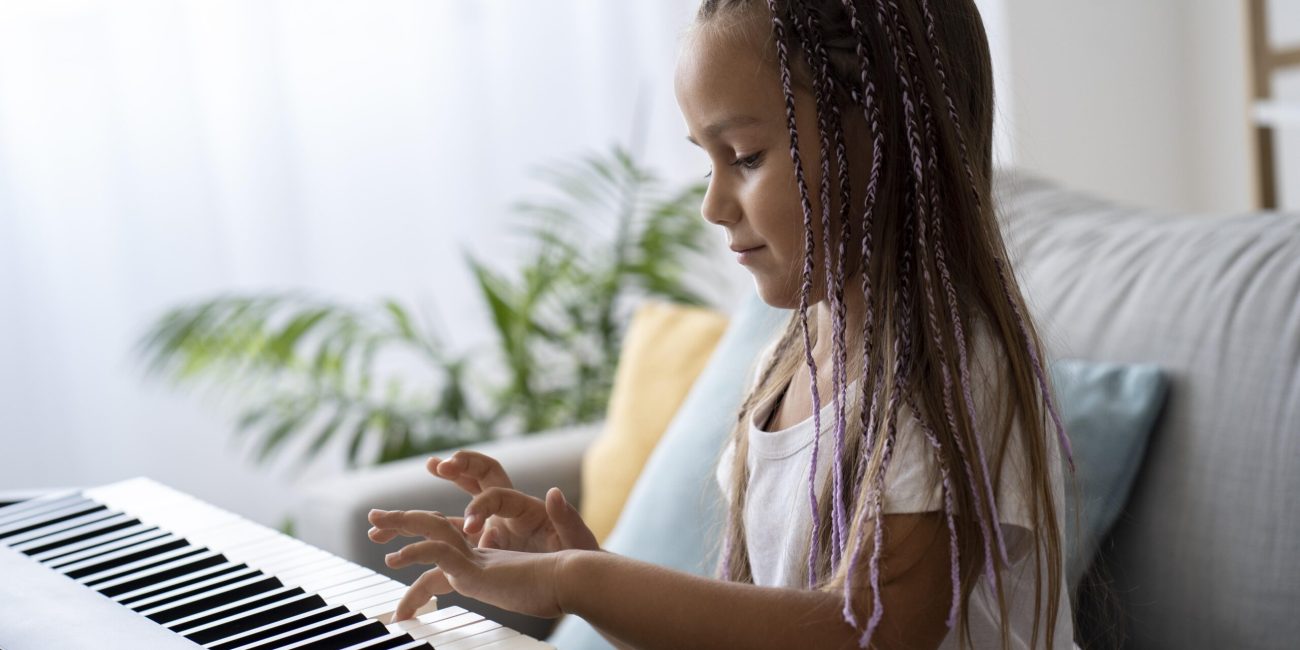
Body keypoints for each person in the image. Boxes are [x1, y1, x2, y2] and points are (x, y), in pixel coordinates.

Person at [366, 0, 1079, 647]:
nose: (713, 204)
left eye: (743, 157)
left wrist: (576, 581)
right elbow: (757, 631)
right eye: (706, 160)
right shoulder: (786, 364)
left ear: (886, 138)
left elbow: (868, 634)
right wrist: (576, 559)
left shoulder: (952, 369)